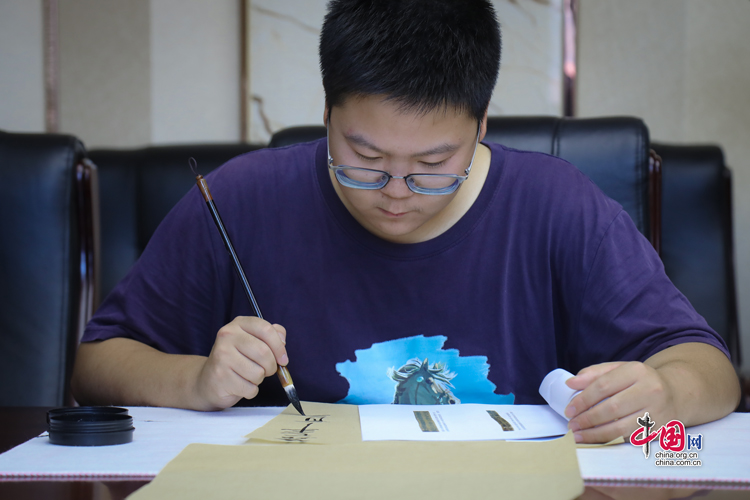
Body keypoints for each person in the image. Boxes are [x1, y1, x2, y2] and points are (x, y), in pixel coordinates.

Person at [72, 0, 740, 443]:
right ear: (327, 115)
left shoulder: (558, 207)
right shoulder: (240, 199)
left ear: (481, 125)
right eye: (364, 159)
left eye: (433, 164)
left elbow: (710, 369)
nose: (396, 193)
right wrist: (195, 380)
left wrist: (664, 393)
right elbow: (96, 364)